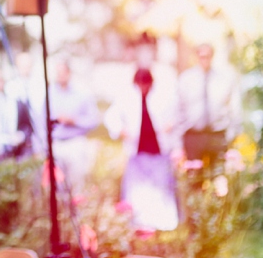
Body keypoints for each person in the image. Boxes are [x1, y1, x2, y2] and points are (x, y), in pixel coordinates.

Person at [105, 68, 178, 231]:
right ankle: (138, 222)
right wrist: (121, 130)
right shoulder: (127, 96)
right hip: (137, 150)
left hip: (159, 149)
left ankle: (162, 223)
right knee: (137, 189)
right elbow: (111, 117)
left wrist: (170, 125)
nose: (143, 88)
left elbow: (177, 114)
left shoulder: (163, 95)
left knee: (161, 186)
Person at [176, 43, 242, 165]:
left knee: (218, 177)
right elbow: (179, 110)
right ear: (197, 57)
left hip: (217, 135)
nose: (205, 59)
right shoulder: (186, 79)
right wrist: (179, 139)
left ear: (212, 56)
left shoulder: (223, 79)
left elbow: (233, 109)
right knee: (194, 178)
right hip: (193, 136)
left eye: (208, 56)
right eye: (202, 56)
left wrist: (231, 134)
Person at [43, 59, 100, 193]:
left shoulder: (82, 93)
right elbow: (41, 121)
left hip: (75, 143)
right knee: (56, 184)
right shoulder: (49, 93)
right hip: (56, 143)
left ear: (69, 73)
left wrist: (74, 121)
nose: (60, 76)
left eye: (63, 72)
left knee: (76, 183)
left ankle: (76, 209)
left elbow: (94, 120)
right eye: (58, 73)